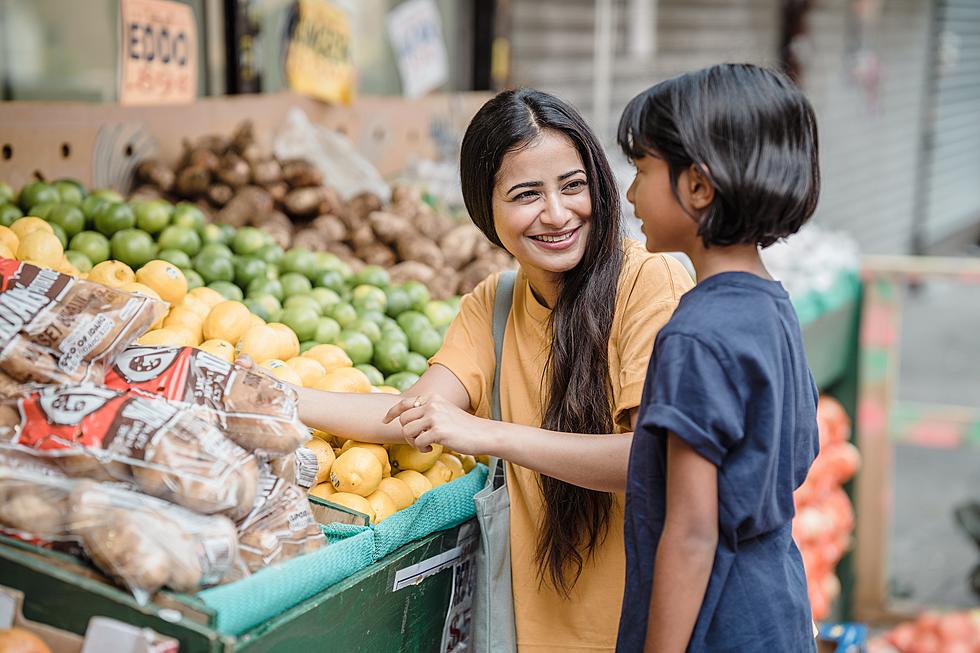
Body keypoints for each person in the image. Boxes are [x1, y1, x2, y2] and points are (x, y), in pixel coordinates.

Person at [245, 88, 693, 651]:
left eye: (573, 186)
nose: (557, 214)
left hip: (641, 630)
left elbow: (651, 459)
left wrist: (490, 435)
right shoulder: (494, 303)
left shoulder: (651, 284)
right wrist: (273, 395)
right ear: (486, 211)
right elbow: (408, 415)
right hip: (533, 632)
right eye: (527, 194)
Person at [614, 63, 822, 653]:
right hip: (777, 605)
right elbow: (798, 453)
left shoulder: (694, 335)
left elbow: (691, 534)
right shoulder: (773, 308)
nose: (630, 195)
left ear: (699, 186)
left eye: (641, 170)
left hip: (715, 624)